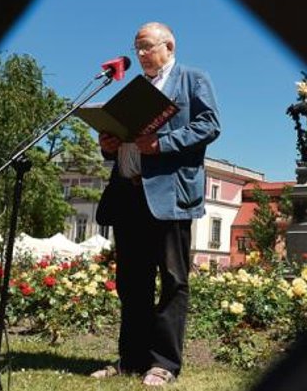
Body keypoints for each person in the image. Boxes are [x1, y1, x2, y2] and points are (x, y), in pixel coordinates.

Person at [90, 21, 220, 386]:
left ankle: (163, 363)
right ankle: (131, 359)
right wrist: (108, 145)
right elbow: (116, 142)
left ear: (169, 45)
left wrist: (163, 144)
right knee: (132, 282)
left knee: (172, 281)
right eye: (137, 48)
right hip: (127, 193)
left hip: (170, 197)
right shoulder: (134, 91)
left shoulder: (192, 79)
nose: (142, 54)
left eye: (147, 46)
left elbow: (209, 125)